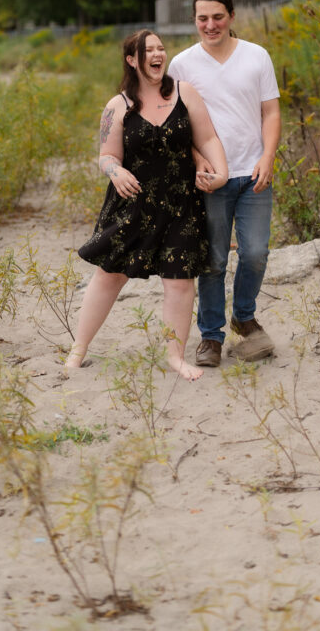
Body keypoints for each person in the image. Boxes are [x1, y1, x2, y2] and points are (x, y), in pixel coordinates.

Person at [66, 29, 228, 380]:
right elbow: (106, 156)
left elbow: (208, 137)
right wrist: (116, 172)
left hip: (181, 202)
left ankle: (175, 356)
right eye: (148, 50)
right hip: (133, 203)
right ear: (132, 59)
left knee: (180, 281)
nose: (157, 55)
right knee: (109, 276)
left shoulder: (185, 94)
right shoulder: (117, 106)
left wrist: (222, 173)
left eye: (161, 48)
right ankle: (78, 349)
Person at [168, 0, 281, 367]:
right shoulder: (182, 65)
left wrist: (268, 156)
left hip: (253, 174)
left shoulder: (257, 56)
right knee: (213, 260)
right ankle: (211, 338)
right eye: (203, 18)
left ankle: (244, 317)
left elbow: (271, 112)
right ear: (194, 20)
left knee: (255, 253)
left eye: (218, 17)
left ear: (231, 16)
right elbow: (177, 124)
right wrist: (197, 159)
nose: (210, 25)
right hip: (210, 179)